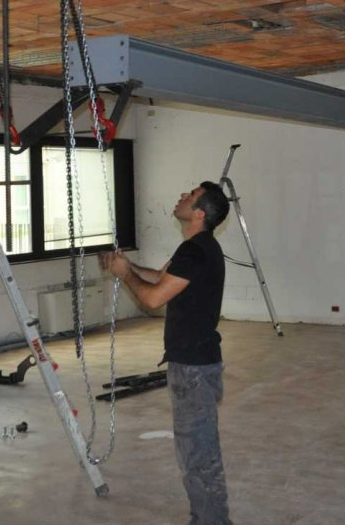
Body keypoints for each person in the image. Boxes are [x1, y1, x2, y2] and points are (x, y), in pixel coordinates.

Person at [100, 181, 233, 525]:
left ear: (199, 214)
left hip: (193, 368)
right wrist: (129, 266)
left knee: (198, 455)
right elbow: (160, 278)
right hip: (195, 363)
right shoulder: (197, 247)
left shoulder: (195, 251)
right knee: (197, 451)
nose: (182, 196)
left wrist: (125, 275)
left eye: (191, 196)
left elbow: (153, 298)